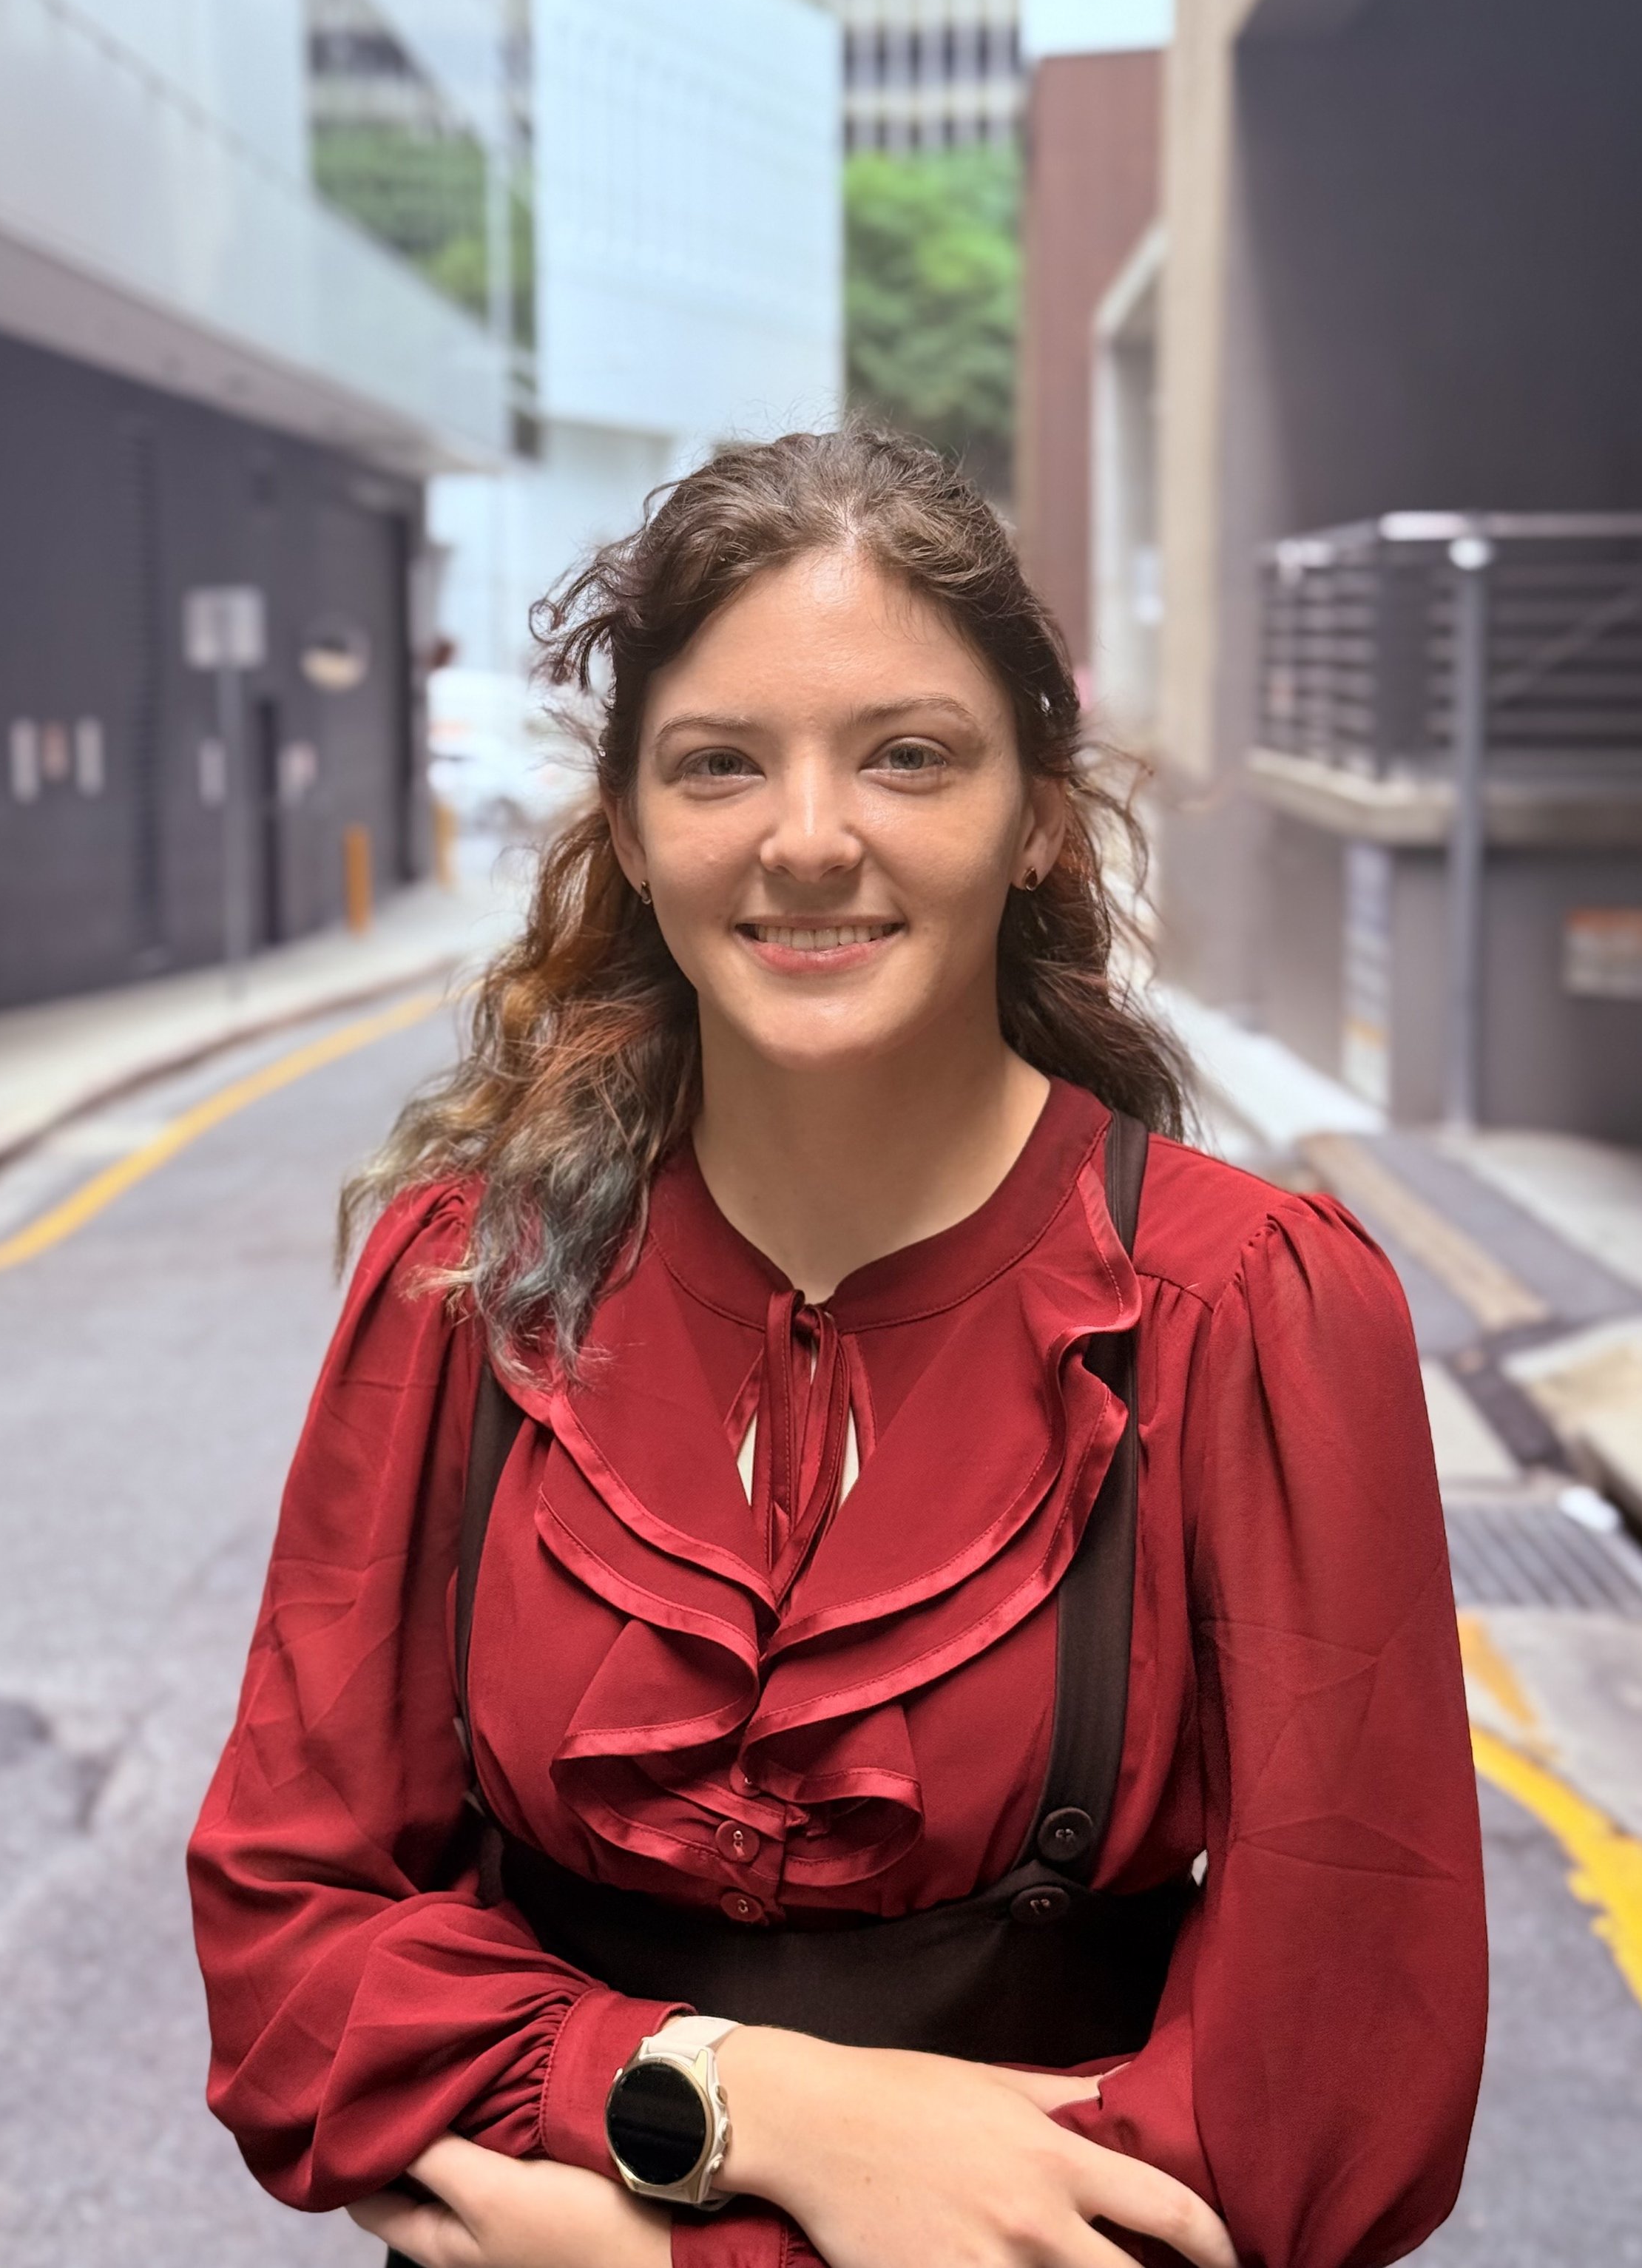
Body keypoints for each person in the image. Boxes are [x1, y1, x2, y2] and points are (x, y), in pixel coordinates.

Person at [188, 428, 1487, 2268]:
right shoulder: (465, 1282)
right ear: (631, 832)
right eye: (720, 764)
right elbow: (288, 1949)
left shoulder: (1251, 1309)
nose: (808, 839)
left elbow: (1327, 2103)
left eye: (907, 755)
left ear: (1036, 812)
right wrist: (734, 2096)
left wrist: (638, 2250)